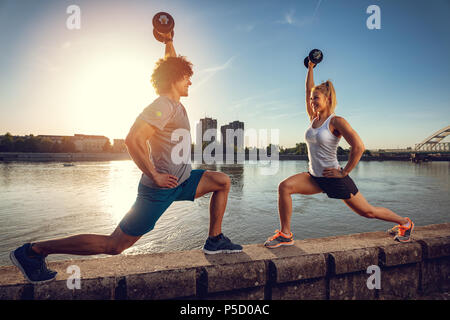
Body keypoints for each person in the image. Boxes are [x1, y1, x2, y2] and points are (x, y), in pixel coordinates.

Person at [10, 32, 242, 284]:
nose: (190, 83)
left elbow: (171, 66)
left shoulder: (174, 103)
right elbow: (133, 139)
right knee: (115, 245)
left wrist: (168, 43)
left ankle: (214, 240)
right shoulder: (163, 105)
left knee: (221, 181)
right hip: (159, 189)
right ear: (176, 79)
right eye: (187, 78)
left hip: (183, 181)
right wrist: (154, 174)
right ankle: (33, 251)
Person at [264, 60, 414, 249]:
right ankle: (285, 234)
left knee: (367, 212)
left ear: (327, 99)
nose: (312, 102)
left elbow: (358, 147)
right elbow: (308, 90)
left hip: (334, 178)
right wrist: (310, 67)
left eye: (316, 98)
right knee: (284, 187)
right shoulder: (313, 119)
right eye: (311, 99)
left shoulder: (336, 121)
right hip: (315, 177)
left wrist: (344, 173)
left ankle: (405, 223)